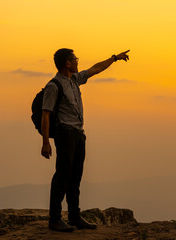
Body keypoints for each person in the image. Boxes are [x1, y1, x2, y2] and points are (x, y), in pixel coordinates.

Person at [41, 48, 130, 232]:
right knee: (62, 177)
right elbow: (45, 115)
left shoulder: (74, 80)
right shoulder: (54, 85)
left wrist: (114, 58)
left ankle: (74, 217)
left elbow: (95, 69)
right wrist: (45, 142)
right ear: (67, 63)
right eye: (75, 59)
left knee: (75, 177)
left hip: (78, 134)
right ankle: (55, 219)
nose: (77, 61)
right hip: (65, 134)